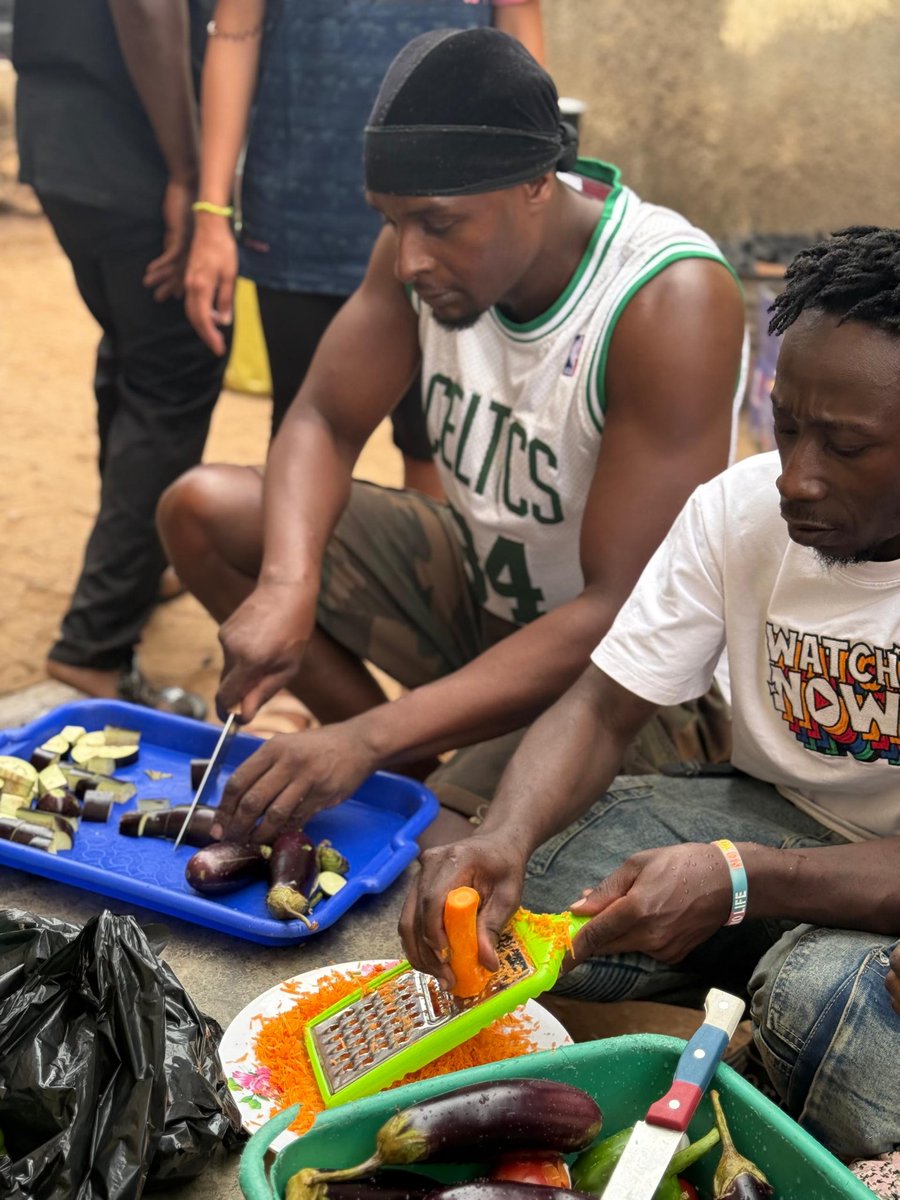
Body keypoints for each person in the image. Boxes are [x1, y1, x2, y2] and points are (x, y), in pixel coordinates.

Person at [158, 27, 747, 846]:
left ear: (539, 183)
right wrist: (287, 586)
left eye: (437, 224)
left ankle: (411, 776)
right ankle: (420, 775)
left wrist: (364, 738)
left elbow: (618, 609)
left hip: (625, 681)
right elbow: (323, 420)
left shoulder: (667, 299)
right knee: (204, 511)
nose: (407, 260)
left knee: (443, 864)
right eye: (392, 222)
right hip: (486, 595)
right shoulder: (422, 240)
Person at [400, 226, 900, 1161]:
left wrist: (744, 877)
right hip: (773, 814)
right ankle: (756, 978)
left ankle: (782, 987)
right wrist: (503, 836)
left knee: (827, 1013)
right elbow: (601, 708)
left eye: (846, 445)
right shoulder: (741, 509)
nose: (797, 475)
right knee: (525, 884)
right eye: (785, 425)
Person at [184, 0, 544, 497]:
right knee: (302, 425)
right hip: (300, 208)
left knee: (439, 441)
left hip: (452, 211)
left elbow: (518, 29)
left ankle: (432, 574)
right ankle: (301, 574)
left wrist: (521, 182)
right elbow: (234, 32)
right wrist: (212, 214)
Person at [12, 0, 224, 715]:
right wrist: (186, 169)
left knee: (133, 356)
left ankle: (137, 568)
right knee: (173, 373)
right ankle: (95, 649)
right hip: (131, 141)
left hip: (61, 134)